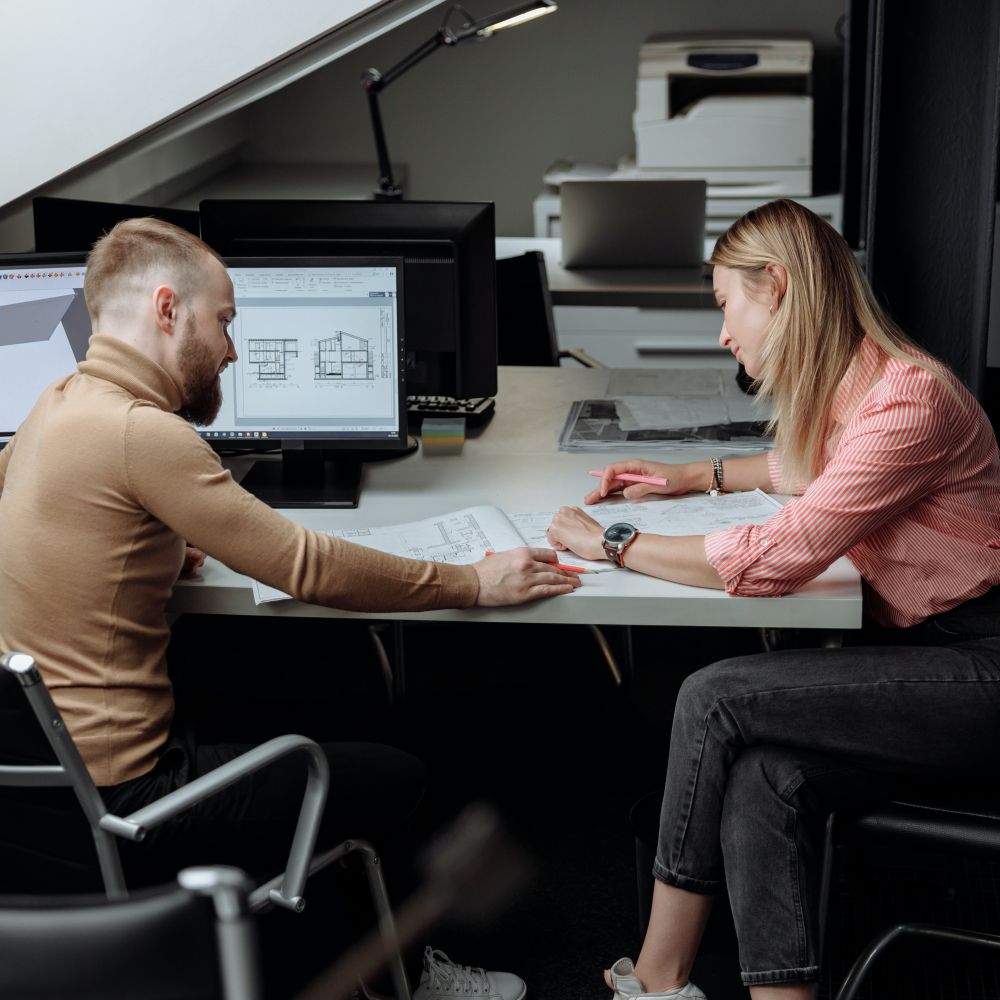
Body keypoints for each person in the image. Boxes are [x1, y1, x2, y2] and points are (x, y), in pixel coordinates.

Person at [0, 218, 578, 1000]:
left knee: (275, 689)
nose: (233, 350)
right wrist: (471, 582)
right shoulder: (142, 434)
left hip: (42, 794)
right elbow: (306, 566)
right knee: (397, 772)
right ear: (167, 310)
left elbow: (58, 534)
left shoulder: (52, 408)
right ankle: (401, 979)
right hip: (134, 798)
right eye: (226, 321)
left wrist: (161, 550)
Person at [546, 199, 1000, 1000]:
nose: (724, 334)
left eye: (727, 304)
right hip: (924, 656)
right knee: (763, 773)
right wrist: (695, 476)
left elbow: (779, 557)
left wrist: (612, 543)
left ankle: (654, 983)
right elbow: (800, 472)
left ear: (778, 288)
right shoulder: (857, 390)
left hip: (981, 667)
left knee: (713, 699)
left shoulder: (910, 400)